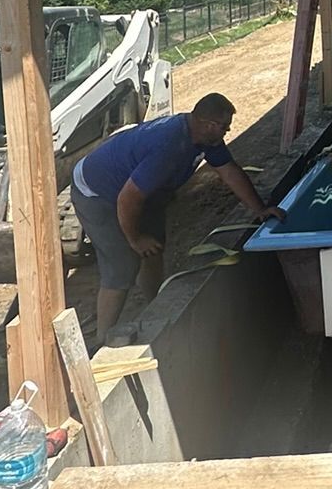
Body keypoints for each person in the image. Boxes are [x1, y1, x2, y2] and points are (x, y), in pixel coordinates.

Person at [71, 92, 281, 339]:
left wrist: (260, 209)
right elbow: (127, 200)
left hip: (139, 190)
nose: (228, 131)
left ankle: (155, 307)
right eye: (224, 127)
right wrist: (135, 239)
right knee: (122, 265)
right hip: (97, 193)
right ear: (208, 124)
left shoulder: (204, 138)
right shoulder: (170, 146)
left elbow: (229, 172)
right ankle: (104, 340)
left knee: (153, 247)